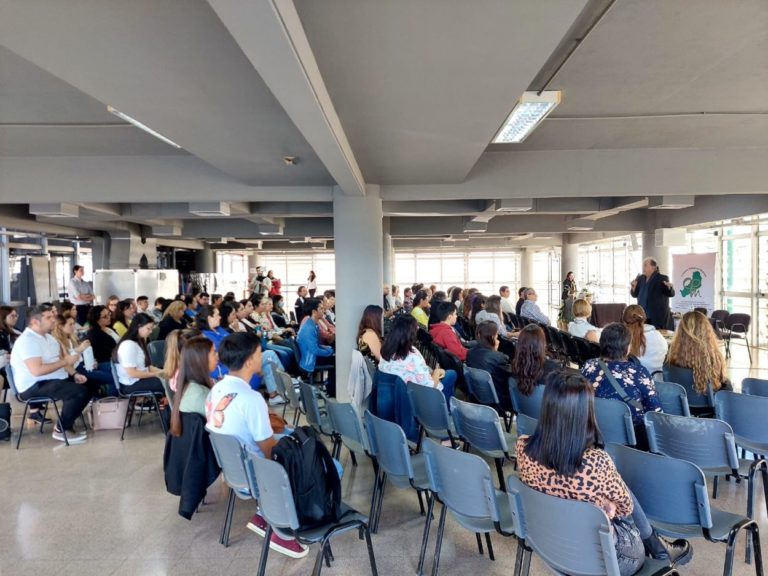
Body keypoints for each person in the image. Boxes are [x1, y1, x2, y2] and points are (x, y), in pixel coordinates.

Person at [516, 371, 691, 570]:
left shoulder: (523, 447)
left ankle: (657, 545)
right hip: (607, 557)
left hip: (551, 543)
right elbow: (626, 509)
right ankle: (657, 546)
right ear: (584, 411)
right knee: (621, 491)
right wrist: (606, 506)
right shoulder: (595, 462)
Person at [205, 332, 309, 559]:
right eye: (260, 353)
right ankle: (281, 527)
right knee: (325, 465)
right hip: (255, 471)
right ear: (250, 360)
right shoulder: (250, 398)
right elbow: (268, 450)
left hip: (234, 468)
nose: (263, 357)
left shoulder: (216, 390)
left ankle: (266, 514)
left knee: (293, 438)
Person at [10, 304, 92, 443]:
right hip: (33, 386)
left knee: (90, 386)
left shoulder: (49, 338)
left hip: (51, 380)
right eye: (48, 317)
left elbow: (59, 360)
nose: (53, 320)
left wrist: (74, 374)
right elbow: (37, 371)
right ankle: (62, 429)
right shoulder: (27, 341)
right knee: (78, 392)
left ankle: (67, 424)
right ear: (35, 322)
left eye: (52, 316)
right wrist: (66, 361)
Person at [581, 323, 661, 450]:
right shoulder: (638, 372)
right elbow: (655, 411)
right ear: (628, 348)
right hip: (631, 442)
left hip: (593, 433)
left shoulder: (588, 366)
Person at [379, 315, 456, 403]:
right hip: (419, 398)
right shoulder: (413, 356)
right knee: (451, 374)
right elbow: (430, 386)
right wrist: (437, 372)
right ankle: (447, 409)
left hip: (397, 397)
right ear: (411, 333)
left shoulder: (384, 350)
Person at [667, 311, 732, 394]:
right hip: (709, 404)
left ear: (680, 331)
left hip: (680, 404)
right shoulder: (715, 358)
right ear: (707, 331)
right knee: (726, 383)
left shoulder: (671, 356)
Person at [169, 336, 217, 436]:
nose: (218, 356)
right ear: (201, 359)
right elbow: (220, 427)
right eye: (214, 353)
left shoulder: (189, 385)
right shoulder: (200, 394)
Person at [114, 313, 166, 396]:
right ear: (138, 326)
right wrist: (157, 374)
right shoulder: (128, 345)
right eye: (148, 328)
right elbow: (132, 373)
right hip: (131, 384)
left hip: (139, 380)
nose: (151, 331)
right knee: (169, 383)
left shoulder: (138, 341)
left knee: (171, 379)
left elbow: (147, 366)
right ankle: (170, 407)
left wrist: (163, 372)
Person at [466, 320, 513, 411]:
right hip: (498, 401)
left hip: (477, 396)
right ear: (492, 337)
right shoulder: (499, 357)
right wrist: (495, 350)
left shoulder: (470, 353)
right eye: (496, 335)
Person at [512, 324, 561, 396]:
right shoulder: (552, 368)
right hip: (544, 407)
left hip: (520, 407)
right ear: (542, 344)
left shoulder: (515, 365)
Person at [630, 257, 675, 330]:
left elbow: (670, 294)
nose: (643, 267)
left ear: (653, 267)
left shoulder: (662, 278)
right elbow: (634, 294)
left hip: (657, 317)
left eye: (645, 265)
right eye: (643, 265)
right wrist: (633, 287)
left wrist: (669, 288)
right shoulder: (640, 278)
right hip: (642, 316)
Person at [623, 305, 668, 375]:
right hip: (661, 380)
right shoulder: (659, 335)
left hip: (639, 379)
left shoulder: (625, 339)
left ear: (624, 321)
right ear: (644, 318)